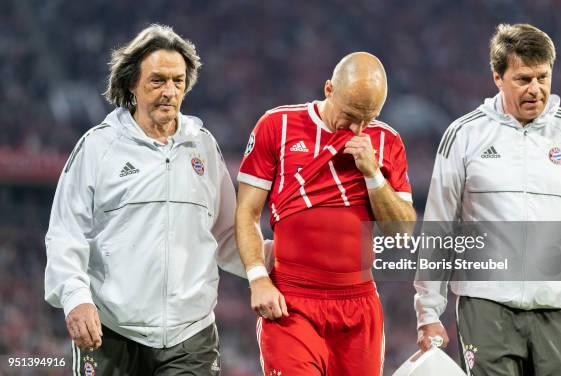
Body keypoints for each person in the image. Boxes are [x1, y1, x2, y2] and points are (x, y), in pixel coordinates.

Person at [44, 24, 244, 375]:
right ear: (131, 85)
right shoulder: (98, 147)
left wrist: (281, 262)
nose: (170, 91)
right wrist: (76, 299)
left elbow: (228, 235)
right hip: (111, 333)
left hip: (191, 336)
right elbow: (65, 234)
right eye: (158, 80)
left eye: (178, 81)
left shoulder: (203, 148)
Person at [414, 23, 561, 375]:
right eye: (523, 79)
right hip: (485, 309)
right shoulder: (464, 135)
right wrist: (428, 313)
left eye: (543, 77)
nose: (536, 89)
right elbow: (438, 228)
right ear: (497, 77)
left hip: (554, 309)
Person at [235, 52, 417, 375]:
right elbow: (247, 212)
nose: (357, 127)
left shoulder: (387, 142)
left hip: (359, 307)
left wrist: (374, 174)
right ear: (329, 89)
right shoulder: (277, 126)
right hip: (291, 303)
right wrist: (258, 279)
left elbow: (402, 232)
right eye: (349, 115)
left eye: (369, 117)